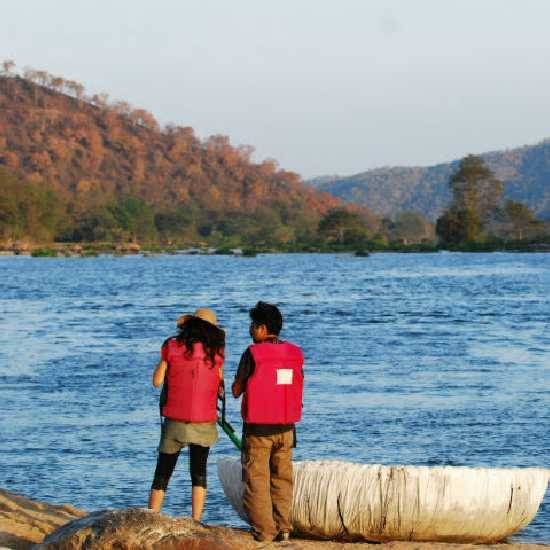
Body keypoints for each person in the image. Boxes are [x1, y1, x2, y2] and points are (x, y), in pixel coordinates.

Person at [232, 301, 304, 542]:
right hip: (286, 429)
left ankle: (264, 532)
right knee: (283, 479)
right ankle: (284, 528)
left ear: (263, 328)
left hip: (259, 430)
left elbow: (236, 390)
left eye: (252, 325)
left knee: (257, 480)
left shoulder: (252, 353)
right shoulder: (295, 353)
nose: (250, 330)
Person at [148, 307, 224, 521]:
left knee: (163, 471)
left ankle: (152, 516)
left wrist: (164, 365)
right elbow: (220, 385)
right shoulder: (216, 352)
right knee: (199, 472)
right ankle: (196, 519)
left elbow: (157, 382)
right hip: (204, 421)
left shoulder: (171, 346)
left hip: (175, 421)